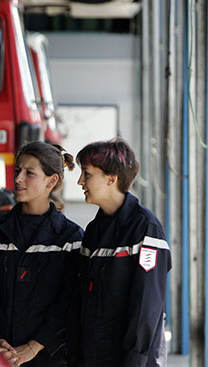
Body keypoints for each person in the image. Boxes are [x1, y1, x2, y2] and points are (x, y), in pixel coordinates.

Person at [0, 141, 84, 367]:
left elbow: (71, 301)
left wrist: (34, 346)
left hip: (52, 359)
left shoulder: (70, 239)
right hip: (0, 357)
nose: (18, 179)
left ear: (52, 180)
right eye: (17, 170)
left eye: (29, 173)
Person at [72, 138, 171, 367]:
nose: (80, 181)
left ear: (111, 178)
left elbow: (146, 307)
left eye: (87, 174)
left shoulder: (146, 229)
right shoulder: (94, 231)